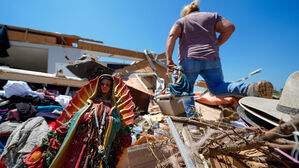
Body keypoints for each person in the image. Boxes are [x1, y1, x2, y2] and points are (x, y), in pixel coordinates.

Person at [166, 0, 273, 118]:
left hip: (189, 59)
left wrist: (169, 59)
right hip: (211, 58)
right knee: (217, 87)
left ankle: (194, 122)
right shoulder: (212, 16)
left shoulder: (181, 21)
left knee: (186, 91)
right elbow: (230, 27)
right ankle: (248, 89)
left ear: (186, 13)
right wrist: (216, 44)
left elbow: (172, 36)